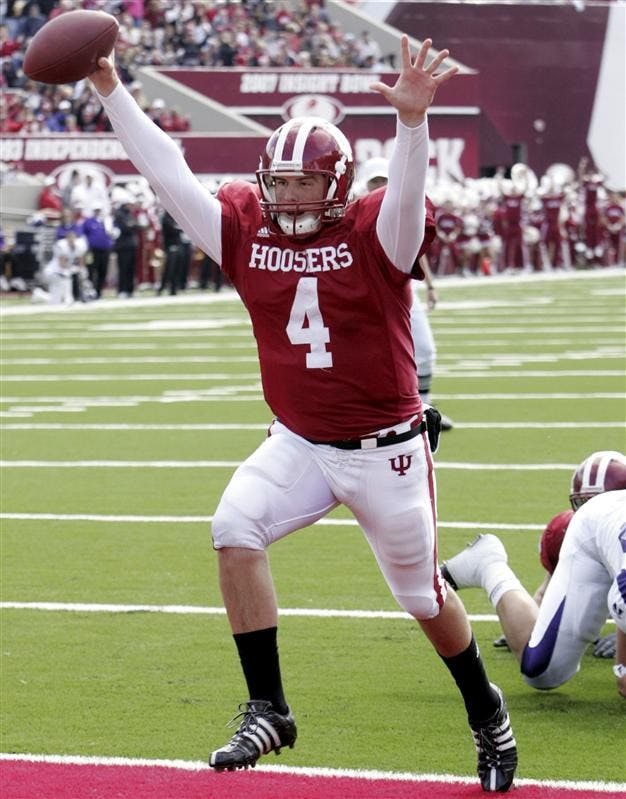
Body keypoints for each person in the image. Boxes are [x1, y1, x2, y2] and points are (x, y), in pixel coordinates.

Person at [89, 36, 518, 793]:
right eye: (280, 185)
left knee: (422, 597)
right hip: (301, 441)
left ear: (338, 186)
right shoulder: (244, 229)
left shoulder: (375, 232)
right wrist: (109, 87)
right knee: (234, 526)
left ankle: (486, 709)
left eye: (305, 184)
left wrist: (412, 124)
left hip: (385, 450)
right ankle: (269, 707)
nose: (289, 199)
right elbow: (167, 173)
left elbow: (407, 210)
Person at [441, 451, 626, 698]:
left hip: (614, 544)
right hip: (592, 535)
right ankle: (488, 565)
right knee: (542, 671)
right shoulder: (573, 529)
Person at [359, 156, 453, 430]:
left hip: (403, 290)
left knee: (423, 349)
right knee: (369, 357)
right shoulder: (356, 212)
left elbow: (417, 250)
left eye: (384, 180)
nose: (380, 185)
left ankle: (424, 409)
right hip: (367, 294)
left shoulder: (398, 209)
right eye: (375, 181)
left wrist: (430, 284)